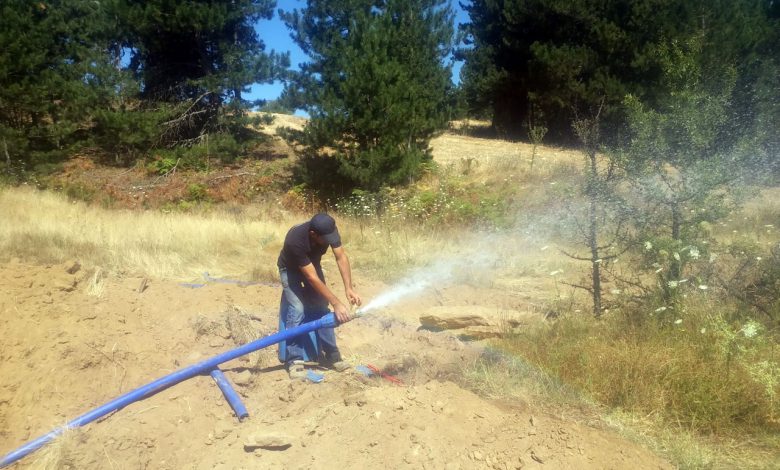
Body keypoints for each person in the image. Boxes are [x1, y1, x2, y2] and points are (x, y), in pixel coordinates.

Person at [277, 213, 362, 380]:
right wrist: (336, 303)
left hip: (312, 265)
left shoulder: (328, 229)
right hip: (290, 270)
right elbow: (311, 278)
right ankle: (295, 360)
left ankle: (332, 355)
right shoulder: (296, 240)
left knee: (321, 306)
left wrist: (348, 288)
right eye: (326, 239)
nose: (330, 241)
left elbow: (341, 256)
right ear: (313, 235)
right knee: (298, 308)